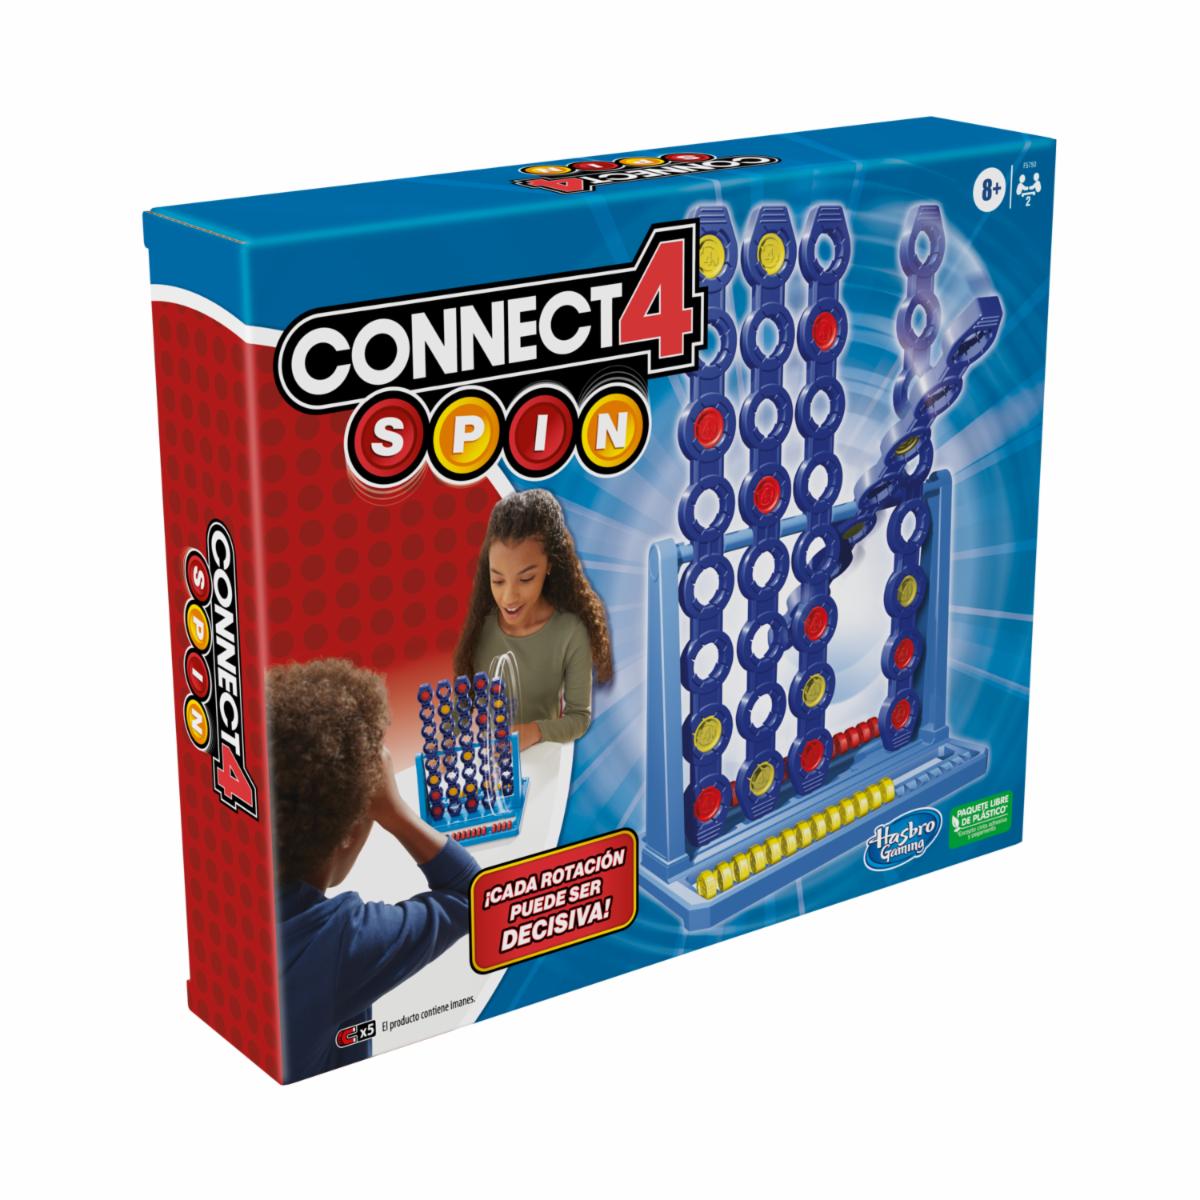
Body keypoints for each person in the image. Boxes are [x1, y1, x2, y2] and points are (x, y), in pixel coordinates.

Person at [268, 658, 477, 1081]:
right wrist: (395, 812)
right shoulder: (338, 940)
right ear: (348, 832)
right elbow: (472, 895)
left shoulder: (228, 898)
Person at [453, 489, 612, 747]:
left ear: (550, 564)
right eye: (497, 580)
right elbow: (462, 706)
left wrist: (533, 731)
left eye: (526, 579)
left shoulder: (570, 632)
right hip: (487, 761)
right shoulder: (480, 627)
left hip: (542, 761)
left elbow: (579, 718)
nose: (508, 598)